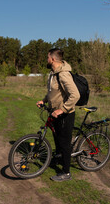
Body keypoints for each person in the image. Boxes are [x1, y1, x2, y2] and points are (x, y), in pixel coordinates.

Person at [36, 48, 79, 182]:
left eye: (48, 57)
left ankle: (66, 173)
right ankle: (59, 158)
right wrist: (44, 100)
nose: (47, 60)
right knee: (58, 140)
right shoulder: (53, 73)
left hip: (65, 114)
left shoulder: (63, 74)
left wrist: (63, 109)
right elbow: (53, 92)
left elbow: (75, 95)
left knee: (65, 143)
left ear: (53, 59)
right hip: (54, 112)